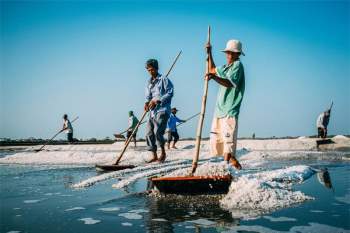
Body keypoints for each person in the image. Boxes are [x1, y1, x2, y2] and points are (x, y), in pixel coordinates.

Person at [205, 39, 245, 170]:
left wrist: (214, 77)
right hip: (219, 110)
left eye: (232, 53)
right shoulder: (225, 67)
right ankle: (232, 165)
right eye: (227, 53)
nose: (229, 55)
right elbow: (211, 69)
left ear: (237, 54)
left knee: (228, 143)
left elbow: (229, 83)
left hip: (230, 110)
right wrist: (209, 53)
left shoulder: (237, 66)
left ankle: (225, 168)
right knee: (221, 144)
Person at [144, 59, 174, 163]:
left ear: (156, 68)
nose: (150, 72)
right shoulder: (149, 82)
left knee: (158, 132)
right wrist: (146, 103)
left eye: (152, 69)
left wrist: (157, 100)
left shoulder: (164, 79)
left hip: (162, 110)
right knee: (148, 133)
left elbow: (170, 93)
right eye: (148, 70)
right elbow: (148, 97)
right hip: (152, 112)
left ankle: (163, 153)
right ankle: (154, 155)